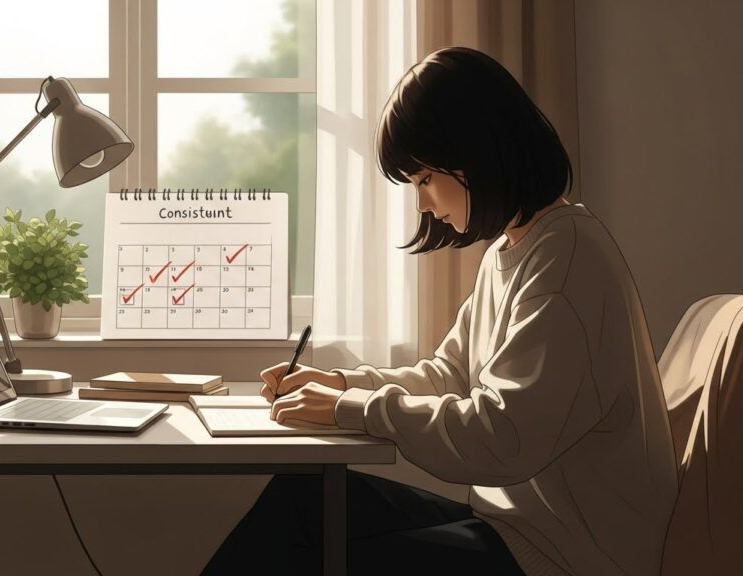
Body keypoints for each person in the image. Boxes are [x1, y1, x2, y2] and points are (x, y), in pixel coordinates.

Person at [202, 47, 678, 576]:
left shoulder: (565, 264)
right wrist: (339, 384)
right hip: (516, 529)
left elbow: (501, 438)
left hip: (562, 557)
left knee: (312, 556)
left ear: (477, 152)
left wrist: (351, 408)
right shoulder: (517, 249)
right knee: (301, 500)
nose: (423, 204)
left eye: (424, 179)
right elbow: (449, 376)